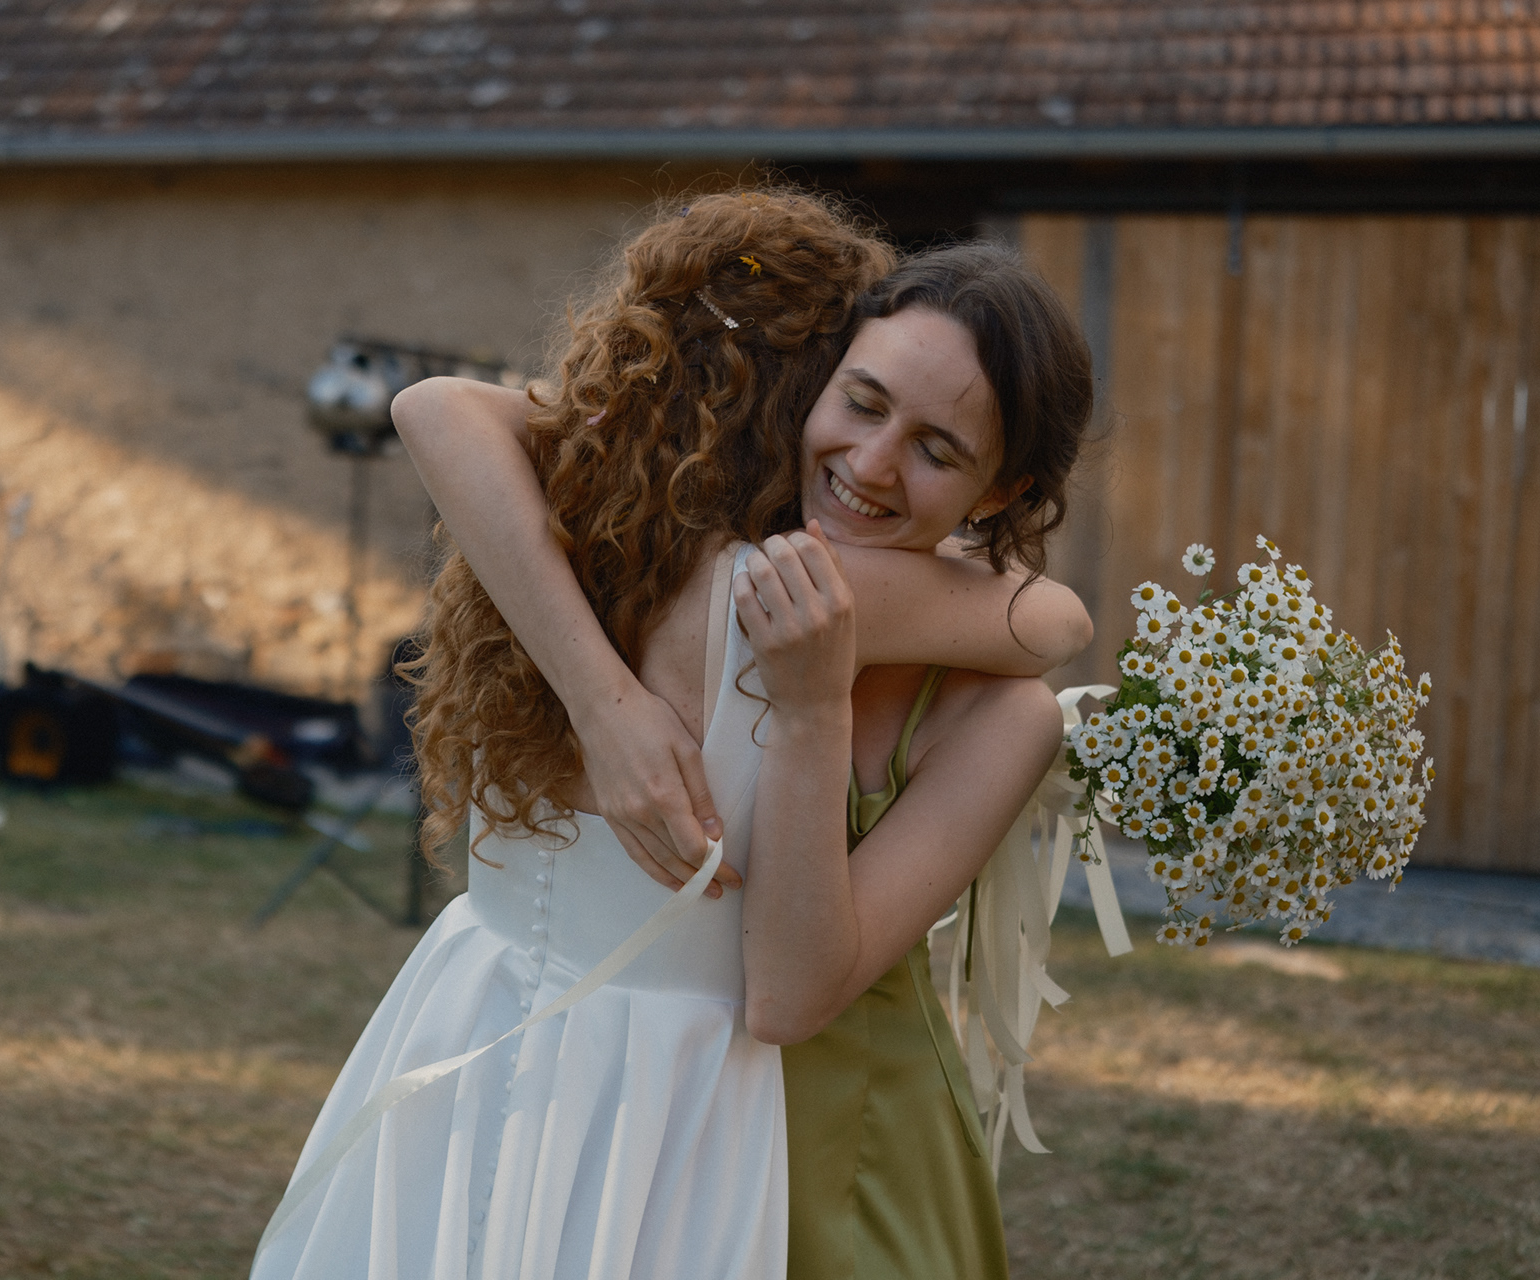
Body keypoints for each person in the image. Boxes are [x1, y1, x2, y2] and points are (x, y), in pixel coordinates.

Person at [251, 191, 1090, 1279]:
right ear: (809, 383)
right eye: (860, 400)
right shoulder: (744, 580)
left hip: (625, 1069)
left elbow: (437, 409)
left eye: (935, 447)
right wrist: (607, 706)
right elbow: (1053, 620)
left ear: (1001, 487)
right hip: (640, 1088)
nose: (873, 464)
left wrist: (686, 701)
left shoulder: (622, 542)